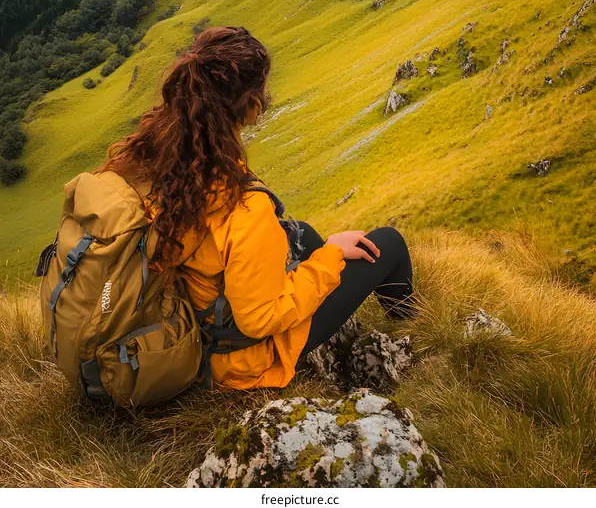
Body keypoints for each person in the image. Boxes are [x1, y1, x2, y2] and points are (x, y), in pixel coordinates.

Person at [101, 25, 413, 390]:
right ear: (249, 104)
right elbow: (259, 319)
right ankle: (413, 325)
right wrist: (328, 258)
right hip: (233, 358)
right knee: (388, 244)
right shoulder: (244, 206)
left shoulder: (151, 155)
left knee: (302, 235)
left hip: (175, 315)